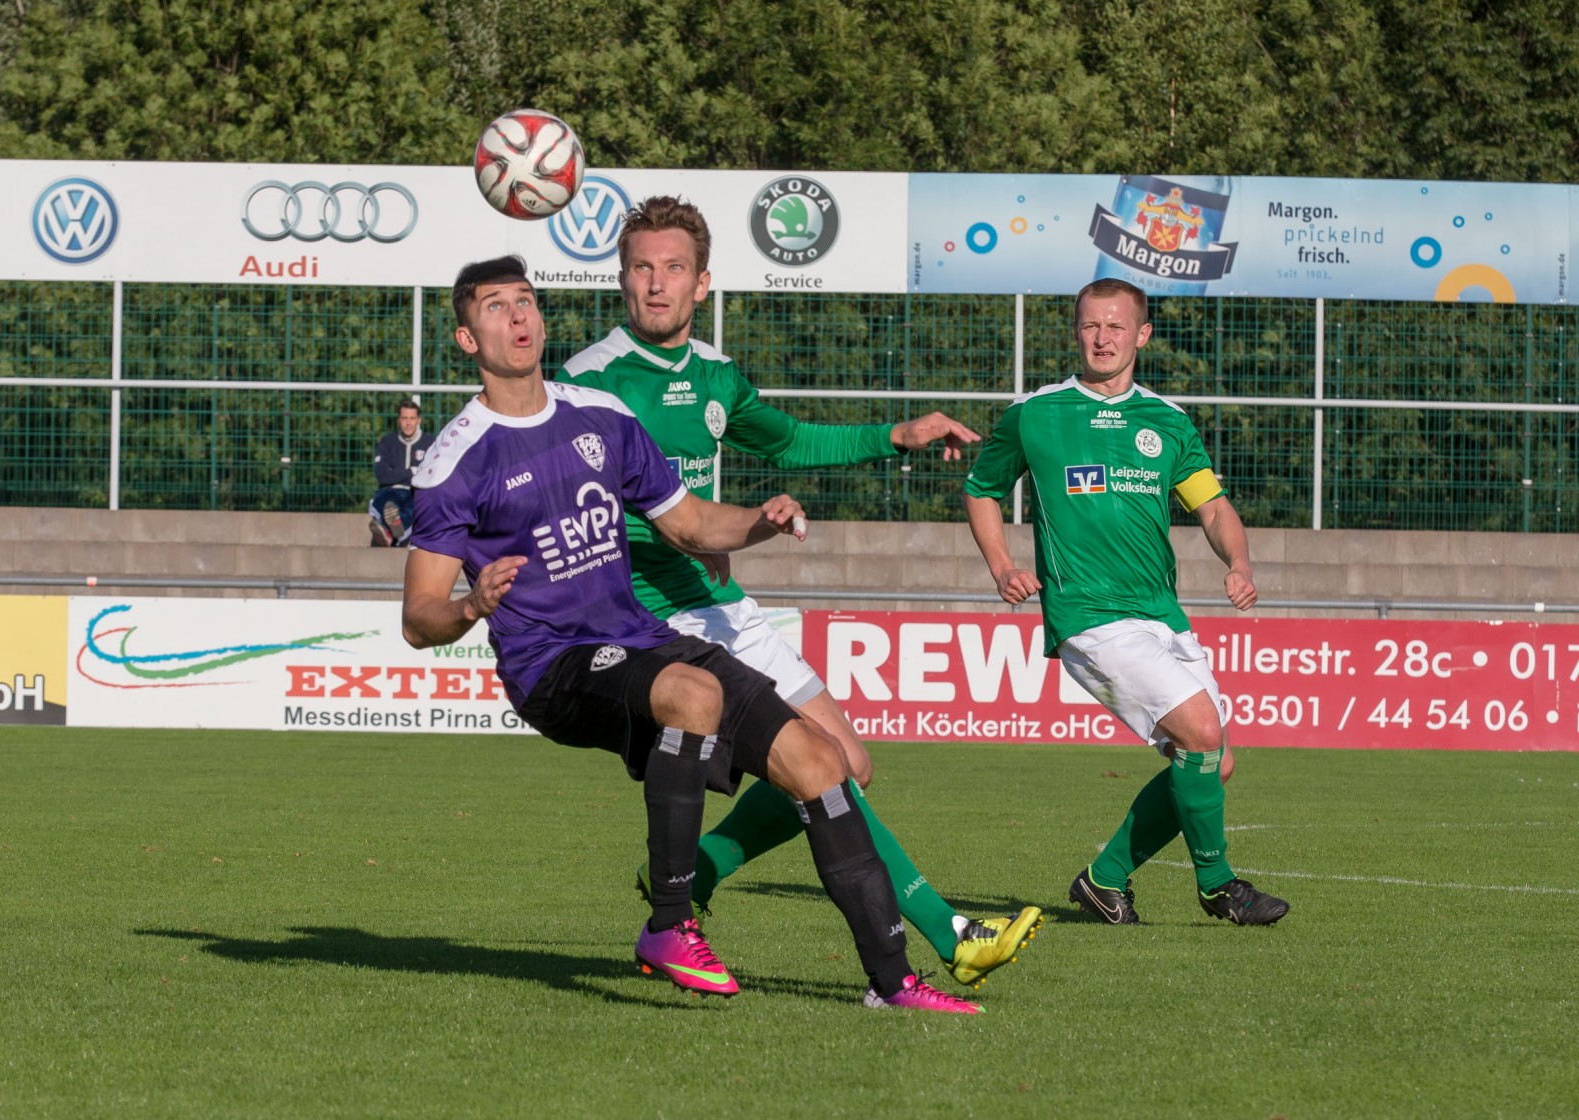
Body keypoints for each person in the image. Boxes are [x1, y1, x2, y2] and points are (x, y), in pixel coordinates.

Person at [402, 254, 981, 1014]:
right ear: (466, 339)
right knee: (692, 693)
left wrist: (759, 523)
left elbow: (687, 523)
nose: (517, 318)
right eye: (495, 309)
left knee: (821, 758)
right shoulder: (456, 457)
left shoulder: (601, 418)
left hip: (636, 636)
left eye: (526, 302)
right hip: (550, 665)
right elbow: (419, 618)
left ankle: (894, 982)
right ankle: (669, 925)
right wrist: (472, 603)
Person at [557, 196, 1042, 988]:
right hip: (652, 613)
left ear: (702, 283)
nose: (656, 284)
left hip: (719, 597)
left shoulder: (714, 375)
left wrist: (895, 435)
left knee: (850, 760)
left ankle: (698, 874)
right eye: (642, 268)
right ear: (622, 280)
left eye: (672, 268)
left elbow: (787, 439)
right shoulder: (591, 381)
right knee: (821, 765)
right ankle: (952, 933)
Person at [962, 277, 1290, 927]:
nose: (1102, 338)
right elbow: (981, 488)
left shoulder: (1166, 423)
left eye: (1116, 326)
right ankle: (1221, 887)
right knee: (1200, 732)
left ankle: (1104, 879)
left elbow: (1214, 507)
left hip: (1162, 616)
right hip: (1088, 615)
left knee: (1213, 761)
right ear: (1075, 331)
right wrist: (1002, 566)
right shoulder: (1036, 414)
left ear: (1142, 334)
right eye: (1090, 325)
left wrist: (1240, 560)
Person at [369, 400, 434, 546]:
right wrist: (412, 471)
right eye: (404, 418)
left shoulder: (430, 443)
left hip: (416, 492)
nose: (408, 423)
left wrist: (397, 473)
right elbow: (382, 475)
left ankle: (388, 533)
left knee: (416, 507)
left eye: (412, 418)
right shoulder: (387, 442)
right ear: (399, 420)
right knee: (384, 502)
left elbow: (431, 474)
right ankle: (396, 532)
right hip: (390, 491)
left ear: (419, 420)